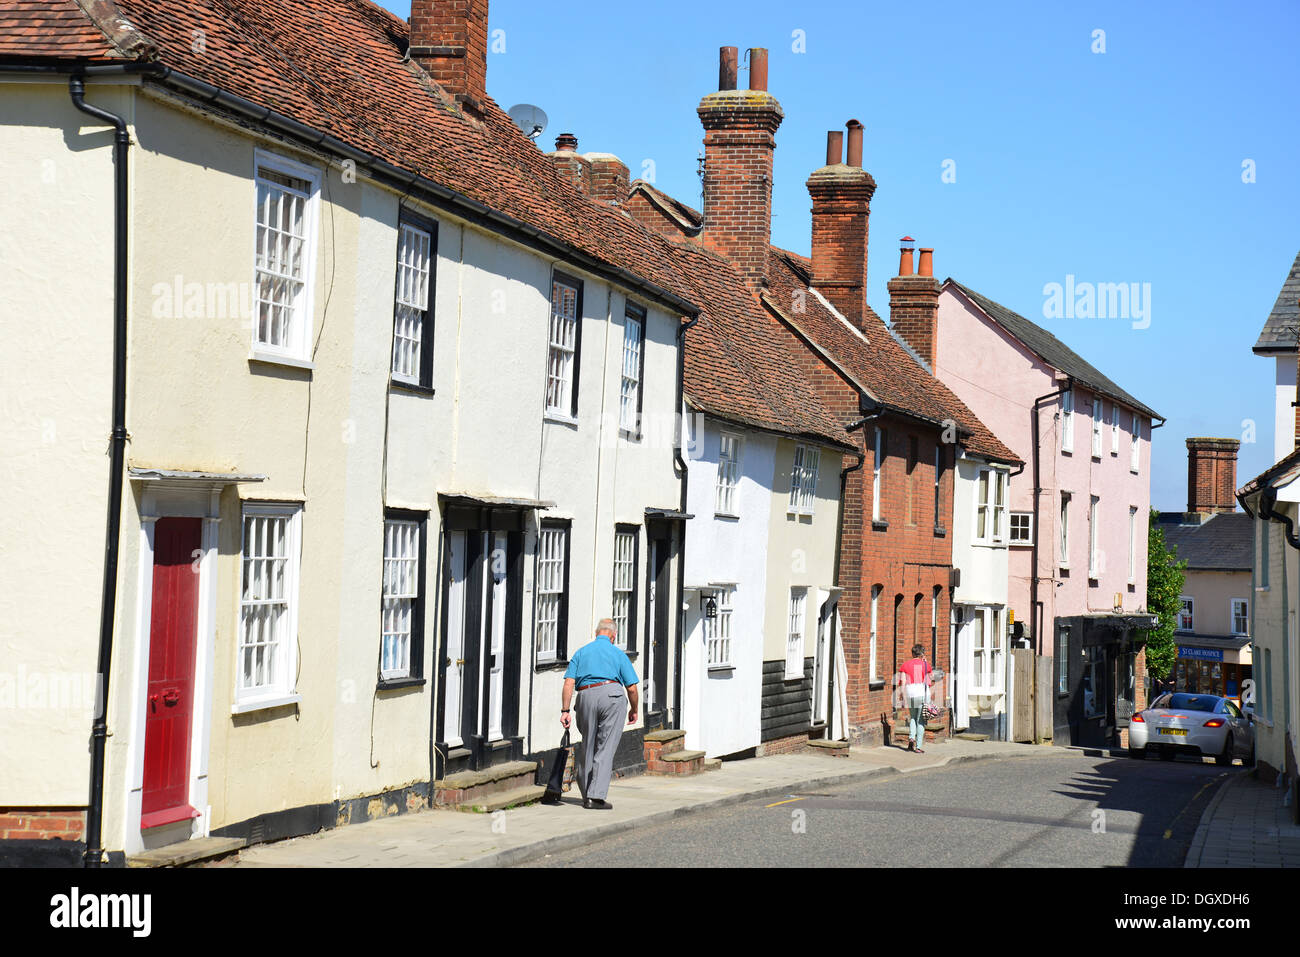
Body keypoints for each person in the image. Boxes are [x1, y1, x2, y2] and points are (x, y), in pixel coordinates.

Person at [561, 618, 639, 809]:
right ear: (613, 636)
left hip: (585, 695)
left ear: (596, 634)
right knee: (605, 746)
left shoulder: (581, 652)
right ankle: (595, 797)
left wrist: (565, 710)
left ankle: (586, 794)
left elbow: (569, 683)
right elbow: (632, 688)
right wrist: (634, 709)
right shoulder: (617, 653)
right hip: (611, 695)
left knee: (588, 743)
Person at [899, 644, 933, 753]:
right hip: (922, 694)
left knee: (913, 717)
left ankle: (911, 737)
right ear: (922, 653)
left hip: (910, 693)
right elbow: (930, 680)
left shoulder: (905, 665)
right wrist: (926, 663)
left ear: (913, 653)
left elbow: (903, 682)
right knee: (921, 720)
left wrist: (903, 697)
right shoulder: (925, 665)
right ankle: (918, 747)